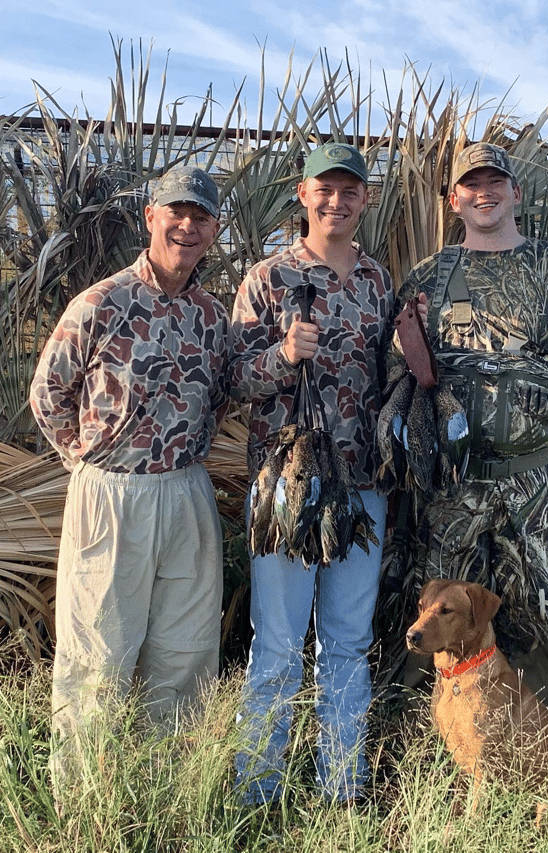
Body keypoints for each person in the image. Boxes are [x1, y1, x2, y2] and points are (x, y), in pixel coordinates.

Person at [397, 142, 548, 737]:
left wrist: (547, 401)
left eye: (496, 180)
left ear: (516, 193)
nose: (485, 191)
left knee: (544, 614)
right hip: (455, 484)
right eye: (471, 183)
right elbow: (401, 373)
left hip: (536, 476)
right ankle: (430, 752)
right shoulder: (427, 279)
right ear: (454, 200)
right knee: (438, 612)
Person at [30, 165, 231, 769]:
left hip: (187, 495)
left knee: (186, 653)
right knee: (98, 655)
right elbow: (47, 394)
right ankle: (87, 805)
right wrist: (89, 463)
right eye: (177, 213)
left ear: (214, 230)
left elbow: (218, 398)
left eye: (200, 217)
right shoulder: (101, 301)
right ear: (152, 217)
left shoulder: (212, 316)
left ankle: (166, 792)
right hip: (112, 497)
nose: (187, 226)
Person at [230, 142, 394, 803]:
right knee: (276, 643)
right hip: (286, 485)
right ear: (303, 194)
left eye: (350, 189)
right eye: (324, 189)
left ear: (364, 199)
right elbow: (233, 381)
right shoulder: (268, 278)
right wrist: (279, 355)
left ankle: (341, 787)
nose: (337, 200)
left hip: (362, 486)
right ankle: (256, 793)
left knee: (348, 643)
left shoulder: (379, 280)